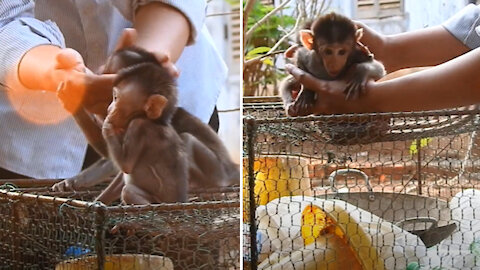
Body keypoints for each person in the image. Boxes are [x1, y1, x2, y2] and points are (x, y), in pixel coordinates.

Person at [0, 1, 227, 179]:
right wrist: (58, 75)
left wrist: (147, 61)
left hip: (175, 108)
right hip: (28, 135)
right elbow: (5, 19)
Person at [286, 4, 480, 115]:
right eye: (327, 52)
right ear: (308, 42)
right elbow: (473, 31)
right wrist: (386, 48)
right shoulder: (306, 57)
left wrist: (375, 99)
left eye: (342, 52)